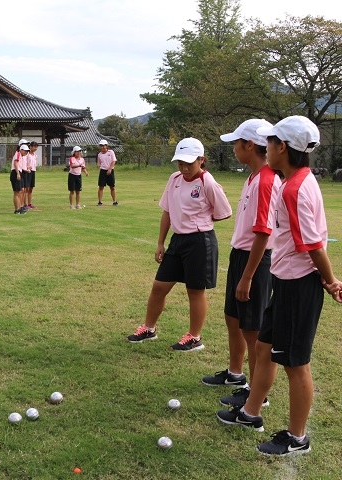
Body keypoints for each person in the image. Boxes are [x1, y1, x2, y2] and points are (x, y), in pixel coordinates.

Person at [217, 116, 342, 456]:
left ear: (282, 147)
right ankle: (250, 413)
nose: (265, 148)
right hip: (285, 281)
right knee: (264, 347)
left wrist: (330, 281)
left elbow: (313, 245)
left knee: (295, 364)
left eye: (269, 142)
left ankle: (297, 437)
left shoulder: (293, 189)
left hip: (298, 286)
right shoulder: (298, 180)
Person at [202, 120, 281, 413]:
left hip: (255, 261)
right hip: (241, 255)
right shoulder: (252, 178)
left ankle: (257, 392)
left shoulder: (266, 180)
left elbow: (264, 232)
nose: (234, 148)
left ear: (249, 145)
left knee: (253, 329)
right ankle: (236, 373)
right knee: (233, 318)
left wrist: (247, 277)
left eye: (237, 143)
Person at [126, 138, 232, 351]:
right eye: (180, 163)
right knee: (159, 286)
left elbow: (224, 212)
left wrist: (200, 219)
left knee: (195, 291)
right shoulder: (174, 179)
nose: (184, 168)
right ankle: (149, 329)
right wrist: (160, 243)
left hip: (200, 242)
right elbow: (167, 211)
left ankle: (194, 337)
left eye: (189, 163)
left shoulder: (207, 182)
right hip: (177, 240)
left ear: (201, 160)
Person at [96, 139, 118, 206]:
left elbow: (114, 161)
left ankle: (114, 201)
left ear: (106, 146)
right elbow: (99, 163)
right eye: (101, 146)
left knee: (112, 187)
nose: (102, 147)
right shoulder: (99, 155)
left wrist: (110, 169)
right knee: (101, 187)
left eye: (104, 145)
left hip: (110, 171)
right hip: (103, 171)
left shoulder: (111, 152)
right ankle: (100, 202)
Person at [10, 143, 30, 214]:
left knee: (19, 192)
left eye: (27, 151)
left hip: (18, 172)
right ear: (21, 150)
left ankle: (19, 208)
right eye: (25, 151)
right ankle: (17, 209)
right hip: (15, 173)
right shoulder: (18, 154)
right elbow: (15, 163)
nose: (26, 152)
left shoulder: (21, 155)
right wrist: (18, 173)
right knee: (17, 192)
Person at [25, 141, 39, 209]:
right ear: (30, 147)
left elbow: (36, 164)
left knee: (31, 188)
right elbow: (24, 163)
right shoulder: (27, 154)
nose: (35, 148)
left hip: (33, 172)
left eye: (36, 147)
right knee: (26, 188)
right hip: (27, 172)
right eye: (34, 147)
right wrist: (27, 167)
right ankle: (24, 204)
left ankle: (29, 203)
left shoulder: (35, 155)